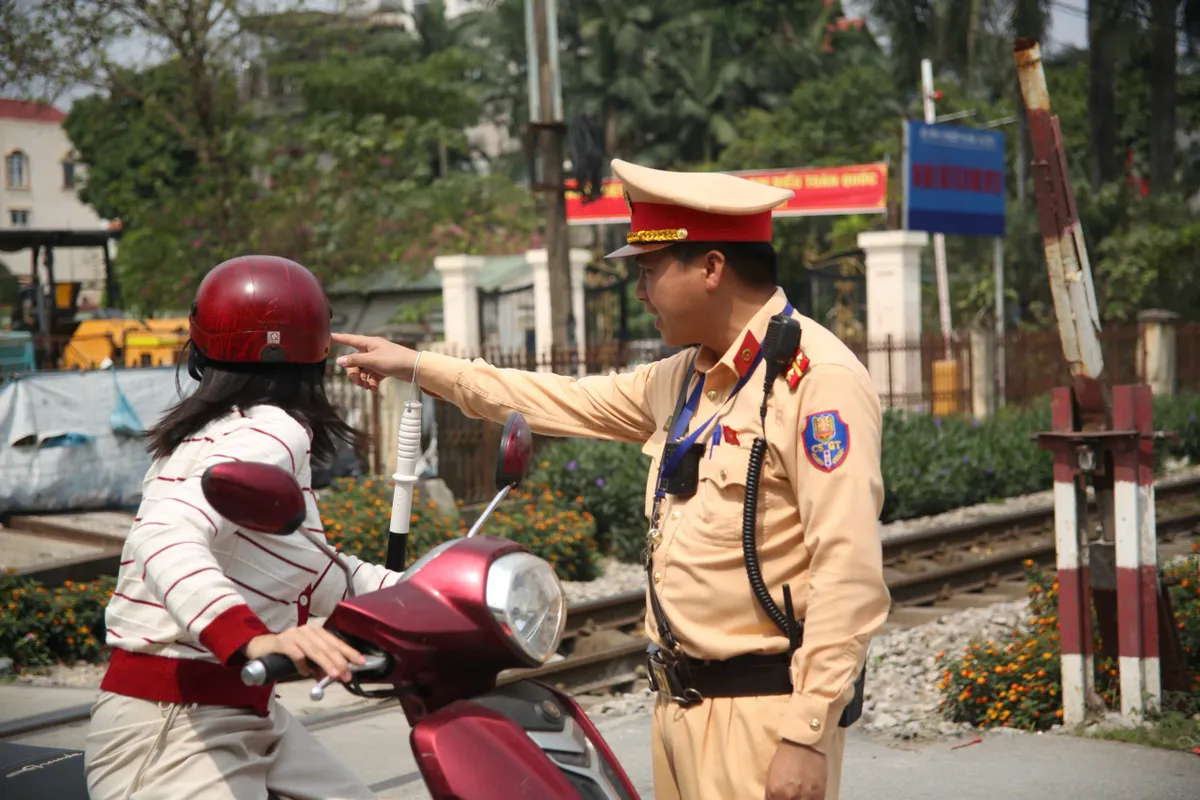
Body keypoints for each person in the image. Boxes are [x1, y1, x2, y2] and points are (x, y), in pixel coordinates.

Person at [331, 159, 891, 800]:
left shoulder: (815, 381)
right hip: (677, 710)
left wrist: (807, 733)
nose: (640, 292)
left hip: (764, 717)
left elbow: (849, 572)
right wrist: (419, 365)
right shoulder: (682, 379)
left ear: (710, 269)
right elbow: (554, 398)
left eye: (649, 271)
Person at [84, 255, 402, 800]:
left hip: (245, 713)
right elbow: (161, 536)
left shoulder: (219, 434)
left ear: (201, 348)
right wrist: (252, 638)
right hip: (174, 728)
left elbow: (309, 572)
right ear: (317, 354)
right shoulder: (273, 432)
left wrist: (432, 594)